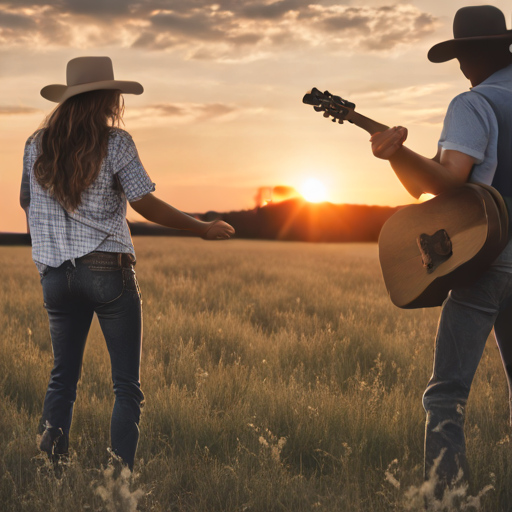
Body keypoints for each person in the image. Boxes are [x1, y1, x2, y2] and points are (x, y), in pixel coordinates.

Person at [20, 56, 235, 471]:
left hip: (55, 278)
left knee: (62, 377)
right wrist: (201, 227)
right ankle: (118, 481)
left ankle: (51, 469)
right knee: (126, 387)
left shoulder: (35, 143)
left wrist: (48, 259)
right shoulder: (115, 142)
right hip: (107, 270)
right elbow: (144, 202)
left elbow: (26, 203)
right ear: (106, 97)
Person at [370, 5, 512, 495]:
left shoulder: (474, 104)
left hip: (488, 261)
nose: (459, 66)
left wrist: (393, 152)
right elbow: (429, 181)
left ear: (477, 52)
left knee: (446, 395)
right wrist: (402, 160)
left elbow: (449, 182)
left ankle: (449, 502)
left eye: (461, 54)